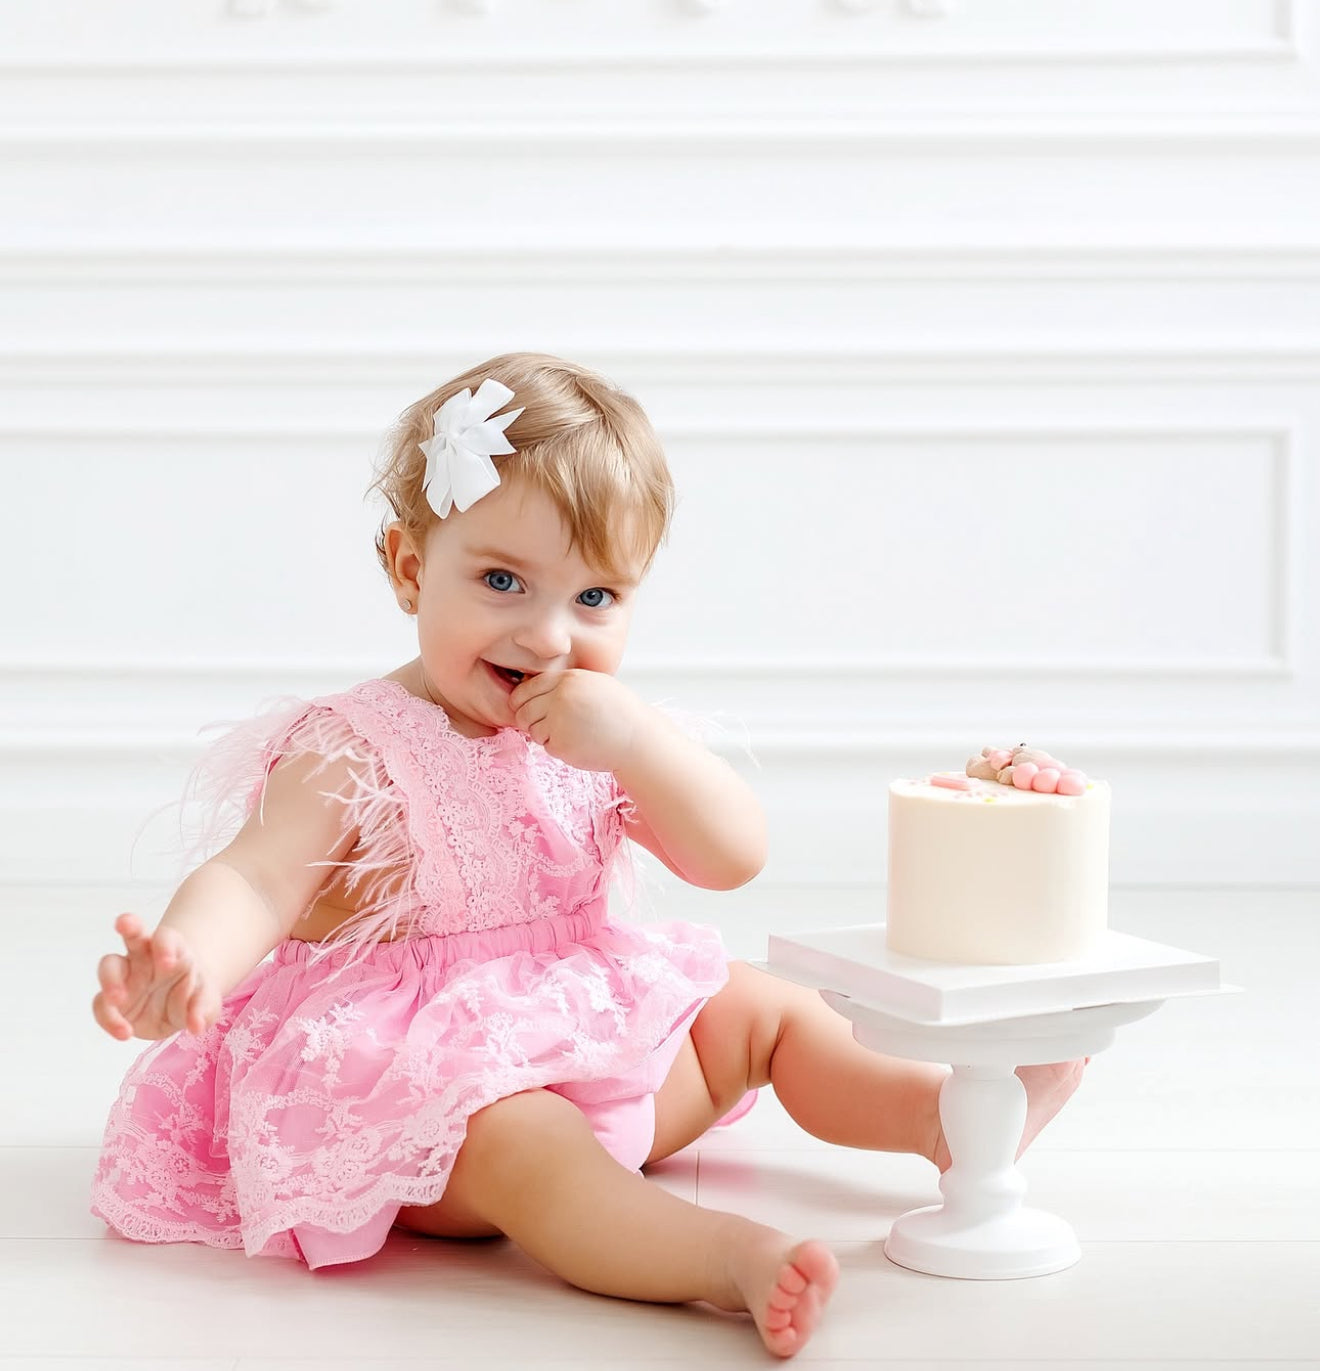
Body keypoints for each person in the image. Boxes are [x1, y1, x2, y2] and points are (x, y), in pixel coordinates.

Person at [90, 353, 1084, 1359]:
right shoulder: (357, 749)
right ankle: (721, 1257)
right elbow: (256, 876)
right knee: (528, 1142)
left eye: (596, 597)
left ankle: (945, 1121)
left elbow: (733, 856)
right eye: (502, 581)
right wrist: (191, 957)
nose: (549, 635)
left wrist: (638, 746)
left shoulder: (603, 732)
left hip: (601, 1034)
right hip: (432, 1098)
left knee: (760, 1007)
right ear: (406, 567)